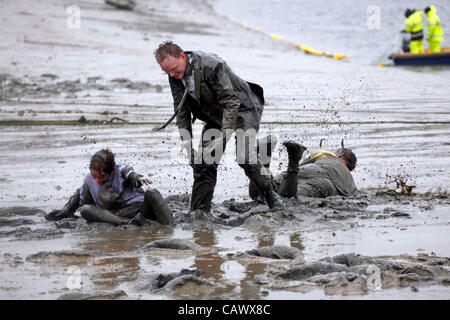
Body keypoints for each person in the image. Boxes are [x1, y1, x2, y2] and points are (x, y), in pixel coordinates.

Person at [154, 41, 283, 212]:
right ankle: (200, 212)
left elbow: (231, 102)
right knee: (203, 162)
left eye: (175, 69)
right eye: (167, 72)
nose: (173, 74)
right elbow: (182, 112)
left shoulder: (210, 66)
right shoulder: (175, 77)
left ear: (182, 56)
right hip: (215, 114)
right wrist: (188, 147)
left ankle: (272, 199)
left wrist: (223, 137)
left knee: (245, 157)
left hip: (243, 108)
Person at [45, 149, 174, 226]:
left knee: (152, 192)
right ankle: (126, 224)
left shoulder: (121, 169)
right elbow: (82, 198)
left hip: (140, 210)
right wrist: (67, 209)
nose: (97, 181)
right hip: (115, 216)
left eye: (101, 177)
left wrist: (137, 178)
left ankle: (171, 226)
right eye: (94, 176)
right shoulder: (89, 179)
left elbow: (131, 174)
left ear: (112, 171)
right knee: (85, 209)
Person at [249, 139, 357, 200]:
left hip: (315, 168)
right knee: (289, 198)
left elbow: (301, 168)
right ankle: (292, 163)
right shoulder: (351, 182)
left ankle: (264, 161)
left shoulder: (327, 155)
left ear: (340, 154)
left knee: (264, 191)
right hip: (328, 185)